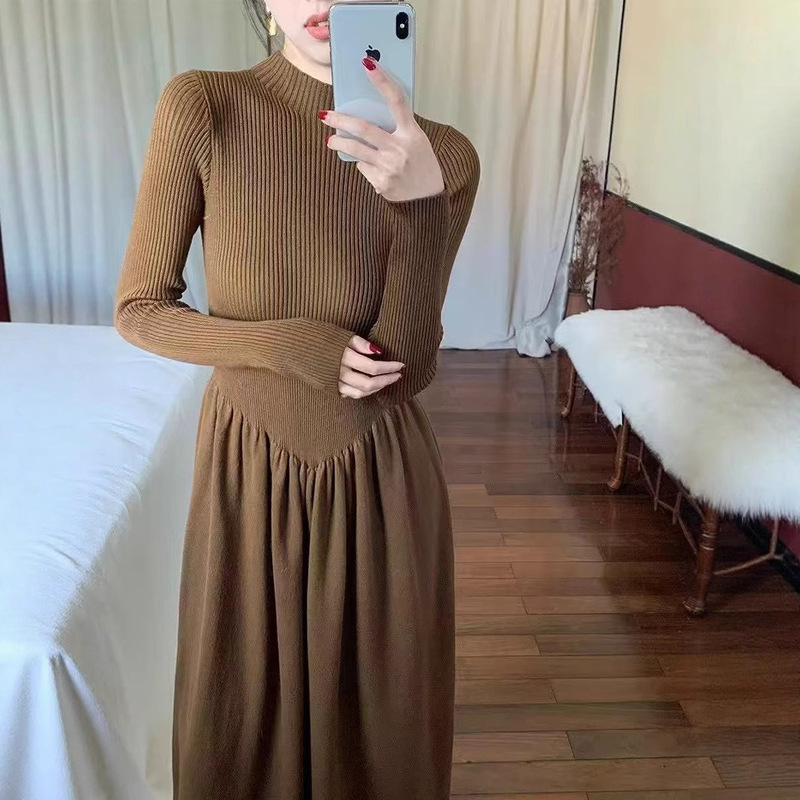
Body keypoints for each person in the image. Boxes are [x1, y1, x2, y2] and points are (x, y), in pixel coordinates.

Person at [114, 0, 479, 797]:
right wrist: (292, 345)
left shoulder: (445, 155)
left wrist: (420, 205)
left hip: (380, 479)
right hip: (248, 467)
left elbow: (406, 367)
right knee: (237, 723)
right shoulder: (204, 106)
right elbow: (140, 308)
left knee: (380, 734)